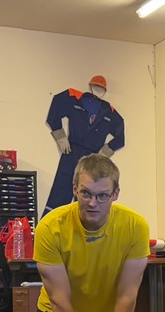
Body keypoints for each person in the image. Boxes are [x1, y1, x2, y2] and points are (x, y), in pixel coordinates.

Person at [26, 153, 149, 312]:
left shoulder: (135, 226)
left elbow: (127, 296)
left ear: (116, 194)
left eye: (102, 196)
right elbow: (60, 300)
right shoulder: (50, 227)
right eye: (86, 194)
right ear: (75, 190)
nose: (93, 203)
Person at [44, 75, 126, 214]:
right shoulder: (74, 97)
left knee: (88, 195)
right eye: (96, 87)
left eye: (101, 88)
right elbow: (55, 108)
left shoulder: (110, 112)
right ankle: (48, 230)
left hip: (92, 159)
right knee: (60, 193)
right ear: (90, 86)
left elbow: (120, 138)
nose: (98, 90)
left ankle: (84, 232)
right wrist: (60, 137)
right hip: (71, 151)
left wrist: (102, 155)